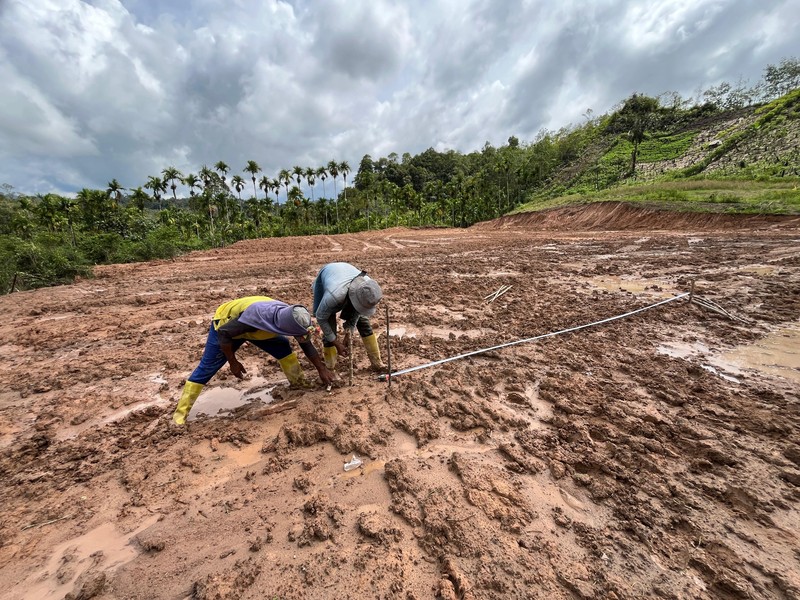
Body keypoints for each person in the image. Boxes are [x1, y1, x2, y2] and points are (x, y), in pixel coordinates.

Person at [172, 296, 335, 425]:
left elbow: (306, 344)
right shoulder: (258, 318)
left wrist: (321, 369)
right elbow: (224, 333)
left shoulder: (290, 316)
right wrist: (233, 362)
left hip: (258, 328)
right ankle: (179, 416)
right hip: (227, 326)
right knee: (208, 367)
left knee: (283, 347)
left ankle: (299, 382)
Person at [311, 262, 384, 372]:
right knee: (329, 325)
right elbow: (321, 318)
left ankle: (377, 363)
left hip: (347, 278)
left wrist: (349, 332)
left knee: (363, 321)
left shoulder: (367, 287)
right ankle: (330, 370)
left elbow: (357, 311)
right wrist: (336, 343)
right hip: (329, 277)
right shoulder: (334, 295)